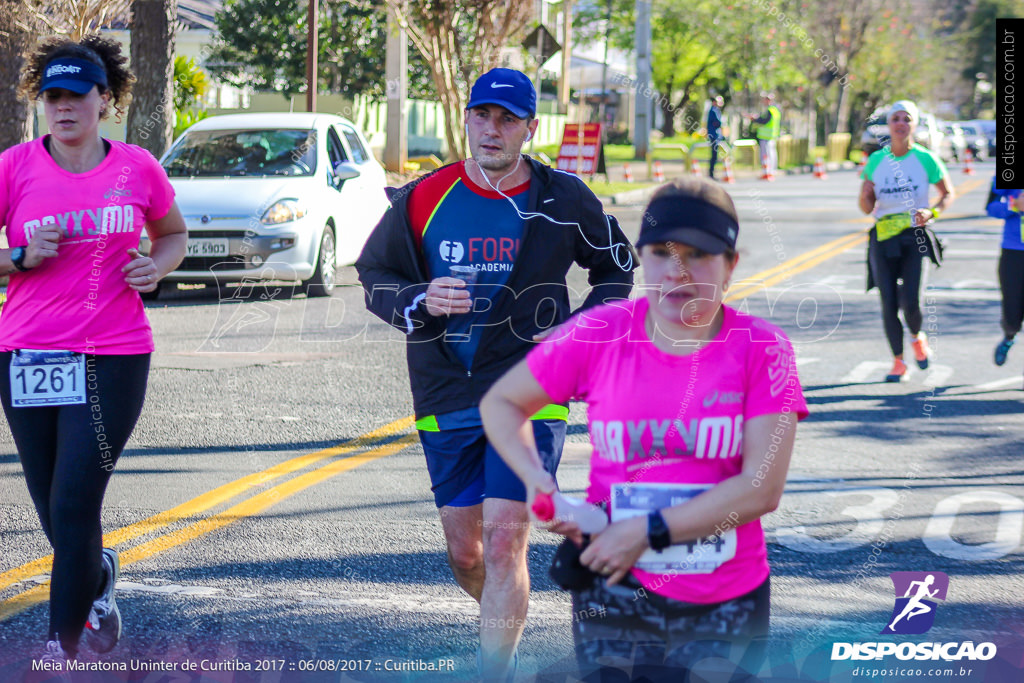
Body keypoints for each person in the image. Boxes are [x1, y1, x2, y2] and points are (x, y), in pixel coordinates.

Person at [355, 67, 635, 681]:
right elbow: (374, 276)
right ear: (468, 119)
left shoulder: (564, 198)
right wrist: (419, 299)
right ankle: (502, 627)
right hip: (446, 385)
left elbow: (617, 268)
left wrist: (576, 331)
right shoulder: (424, 197)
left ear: (530, 128)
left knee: (507, 542)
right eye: (482, 115)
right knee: (468, 552)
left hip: (532, 389)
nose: (492, 129)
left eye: (508, 119)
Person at [481, 177, 808, 681]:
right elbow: (502, 403)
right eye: (661, 252)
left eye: (699, 254)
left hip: (724, 602)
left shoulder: (763, 348)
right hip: (612, 586)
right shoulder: (600, 333)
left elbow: (762, 487)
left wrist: (648, 531)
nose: (678, 272)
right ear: (640, 258)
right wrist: (538, 481)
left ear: (731, 265)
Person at [0, 35, 187, 668]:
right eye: (52, 96)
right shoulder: (15, 167)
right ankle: (97, 574)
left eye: (76, 95)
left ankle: (63, 643)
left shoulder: (137, 168)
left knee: (77, 500)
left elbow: (173, 232)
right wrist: (18, 257)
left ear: (104, 100)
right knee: (53, 506)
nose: (63, 107)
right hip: (27, 353)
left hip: (113, 351)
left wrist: (155, 268)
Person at [858, 100, 954, 382]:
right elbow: (865, 207)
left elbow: (947, 193)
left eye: (906, 119)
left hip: (915, 236)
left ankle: (916, 336)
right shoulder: (876, 160)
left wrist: (932, 211)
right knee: (888, 302)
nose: (901, 123)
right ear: (889, 125)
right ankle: (898, 362)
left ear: (914, 125)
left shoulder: (926, 158)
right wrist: (865, 196)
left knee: (911, 302)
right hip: (884, 236)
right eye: (895, 119)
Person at [985, 181, 1024, 369]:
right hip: (1014, 252)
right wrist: (1014, 205)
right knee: (1012, 316)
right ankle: (1009, 336)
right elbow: (991, 207)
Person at [749, 92, 780, 180]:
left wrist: (754, 119)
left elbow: (764, 121)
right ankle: (771, 171)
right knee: (771, 153)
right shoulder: (775, 110)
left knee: (766, 155)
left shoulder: (770, 110)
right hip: (771, 135)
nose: (764, 101)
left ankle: (767, 172)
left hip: (766, 136)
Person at [706, 96, 725, 180]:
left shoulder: (715, 110)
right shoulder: (713, 111)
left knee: (715, 155)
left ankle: (712, 172)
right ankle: (711, 173)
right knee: (714, 155)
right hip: (714, 136)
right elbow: (717, 123)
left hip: (716, 135)